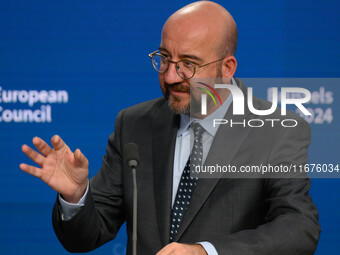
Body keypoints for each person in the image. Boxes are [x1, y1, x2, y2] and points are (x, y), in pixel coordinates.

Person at [20, 1, 320, 254]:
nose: (172, 76)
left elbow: (299, 227)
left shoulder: (277, 129)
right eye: (164, 58)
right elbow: (86, 237)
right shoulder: (133, 124)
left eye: (188, 64)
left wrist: (205, 251)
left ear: (227, 69)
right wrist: (76, 197)